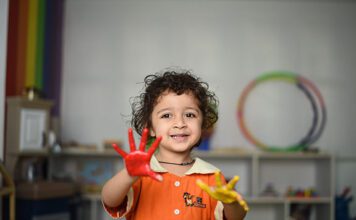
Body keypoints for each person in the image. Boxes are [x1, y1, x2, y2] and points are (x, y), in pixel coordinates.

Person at [101, 68, 248, 219]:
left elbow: (236, 218)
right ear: (150, 127)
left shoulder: (212, 176)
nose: (180, 123)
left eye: (190, 114)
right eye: (167, 115)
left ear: (203, 124)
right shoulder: (140, 173)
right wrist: (129, 174)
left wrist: (231, 203)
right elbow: (110, 200)